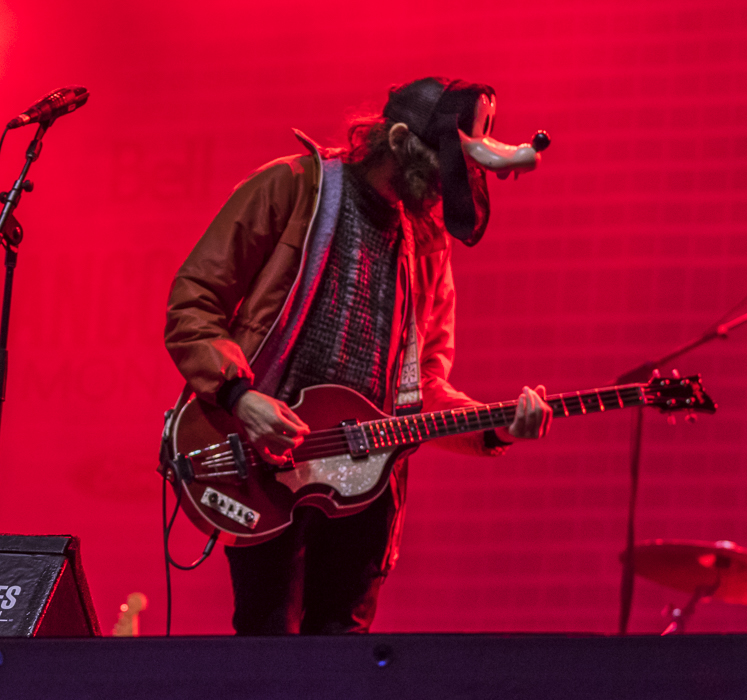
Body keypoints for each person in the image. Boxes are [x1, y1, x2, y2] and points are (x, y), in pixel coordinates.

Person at [165, 77, 553, 635]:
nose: (442, 190)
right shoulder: (293, 187)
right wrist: (239, 395)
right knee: (266, 645)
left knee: (343, 655)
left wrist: (495, 427)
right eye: (439, 168)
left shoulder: (428, 247)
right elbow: (194, 299)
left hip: (365, 485)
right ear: (397, 140)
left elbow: (424, 389)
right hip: (266, 462)